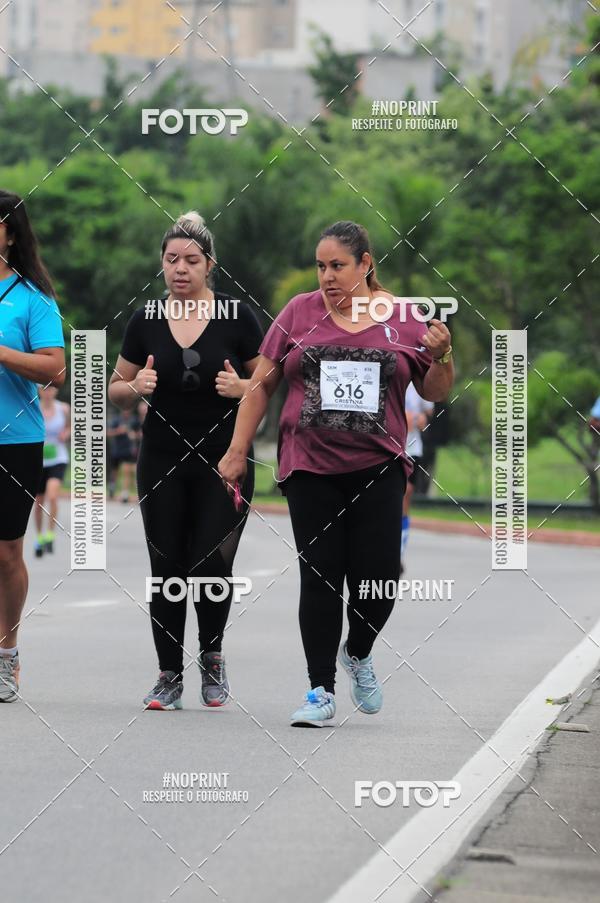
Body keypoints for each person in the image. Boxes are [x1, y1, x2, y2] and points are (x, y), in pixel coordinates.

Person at [219, 220, 454, 727]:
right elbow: (261, 385)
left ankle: (359, 651)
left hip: (379, 467)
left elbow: (434, 390)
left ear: (365, 264)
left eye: (338, 266)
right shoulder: (298, 312)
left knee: (379, 580)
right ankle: (319, 689)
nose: (327, 276)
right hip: (310, 467)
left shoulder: (404, 317)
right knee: (320, 576)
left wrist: (443, 356)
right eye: (320, 266)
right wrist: (238, 450)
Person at [108, 212, 262, 711]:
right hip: (162, 459)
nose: (180, 268)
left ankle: (212, 658)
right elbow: (114, 388)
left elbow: (268, 381)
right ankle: (168, 674)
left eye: (191, 260)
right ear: (161, 263)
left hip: (226, 458)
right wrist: (135, 387)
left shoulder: (238, 317)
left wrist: (243, 387)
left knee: (211, 561)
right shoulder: (145, 319)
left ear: (209, 264)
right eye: (172, 259)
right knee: (166, 565)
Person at [0, 189, 65, 703]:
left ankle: (7, 654)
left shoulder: (32, 297)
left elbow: (54, 368)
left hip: (15, 439)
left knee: (6, 553)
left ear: (10, 233)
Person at [33, 385, 70, 556]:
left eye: (51, 389)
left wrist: (66, 433)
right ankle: (39, 537)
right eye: (44, 389)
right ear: (39, 391)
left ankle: (50, 534)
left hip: (58, 458)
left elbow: (71, 427)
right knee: (39, 502)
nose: (48, 392)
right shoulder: (33, 407)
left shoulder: (63, 408)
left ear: (56, 391)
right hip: (39, 461)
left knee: (53, 496)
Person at [401, 381, 434, 572]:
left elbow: (428, 411)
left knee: (406, 494)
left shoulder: (418, 378)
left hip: (412, 448)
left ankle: (399, 552)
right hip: (386, 447)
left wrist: (422, 419)